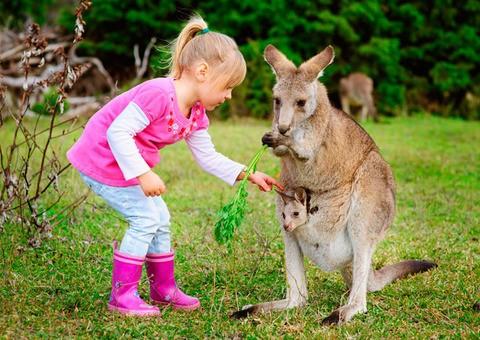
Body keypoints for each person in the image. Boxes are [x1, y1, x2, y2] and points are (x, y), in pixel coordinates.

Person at [67, 15, 283, 316]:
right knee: (145, 217)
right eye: (228, 86)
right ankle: (122, 295)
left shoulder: (195, 113)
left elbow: (208, 156)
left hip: (124, 164)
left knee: (160, 216)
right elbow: (117, 132)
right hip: (100, 158)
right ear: (203, 71)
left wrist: (248, 174)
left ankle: (163, 289)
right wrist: (143, 173)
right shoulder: (158, 94)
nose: (230, 95)